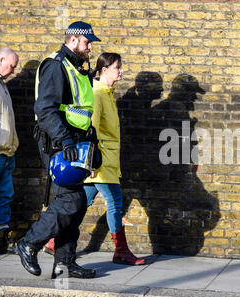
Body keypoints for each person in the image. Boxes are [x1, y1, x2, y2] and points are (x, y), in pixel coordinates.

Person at [15, 21, 101, 279]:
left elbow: (81, 111)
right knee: (70, 199)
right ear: (73, 39)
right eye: (87, 42)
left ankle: (64, 263)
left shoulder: (76, 67)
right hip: (58, 141)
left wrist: (90, 143)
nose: (90, 48)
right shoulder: (56, 66)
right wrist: (66, 142)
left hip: (75, 141)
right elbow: (45, 111)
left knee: (77, 201)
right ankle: (29, 243)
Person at [83, 52, 145, 265]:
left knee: (80, 202)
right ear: (104, 69)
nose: (122, 70)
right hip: (101, 162)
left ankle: (53, 241)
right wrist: (90, 162)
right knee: (115, 201)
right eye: (118, 67)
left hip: (106, 160)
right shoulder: (97, 93)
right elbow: (91, 129)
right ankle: (121, 251)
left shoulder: (106, 92)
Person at [0, 48, 19, 254]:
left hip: (5, 153)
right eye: (12, 66)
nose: (14, 71)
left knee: (4, 197)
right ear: (1, 59)